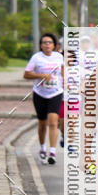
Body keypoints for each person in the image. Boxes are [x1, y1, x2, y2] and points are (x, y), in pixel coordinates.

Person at [24, 33, 64, 165]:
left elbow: (64, 72)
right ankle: (42, 148)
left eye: (50, 42)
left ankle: (52, 152)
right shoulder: (36, 58)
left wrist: (67, 82)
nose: (47, 45)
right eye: (44, 42)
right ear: (41, 45)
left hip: (55, 93)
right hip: (40, 94)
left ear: (54, 45)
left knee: (53, 122)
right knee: (42, 124)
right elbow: (26, 74)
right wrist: (41, 75)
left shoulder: (59, 57)